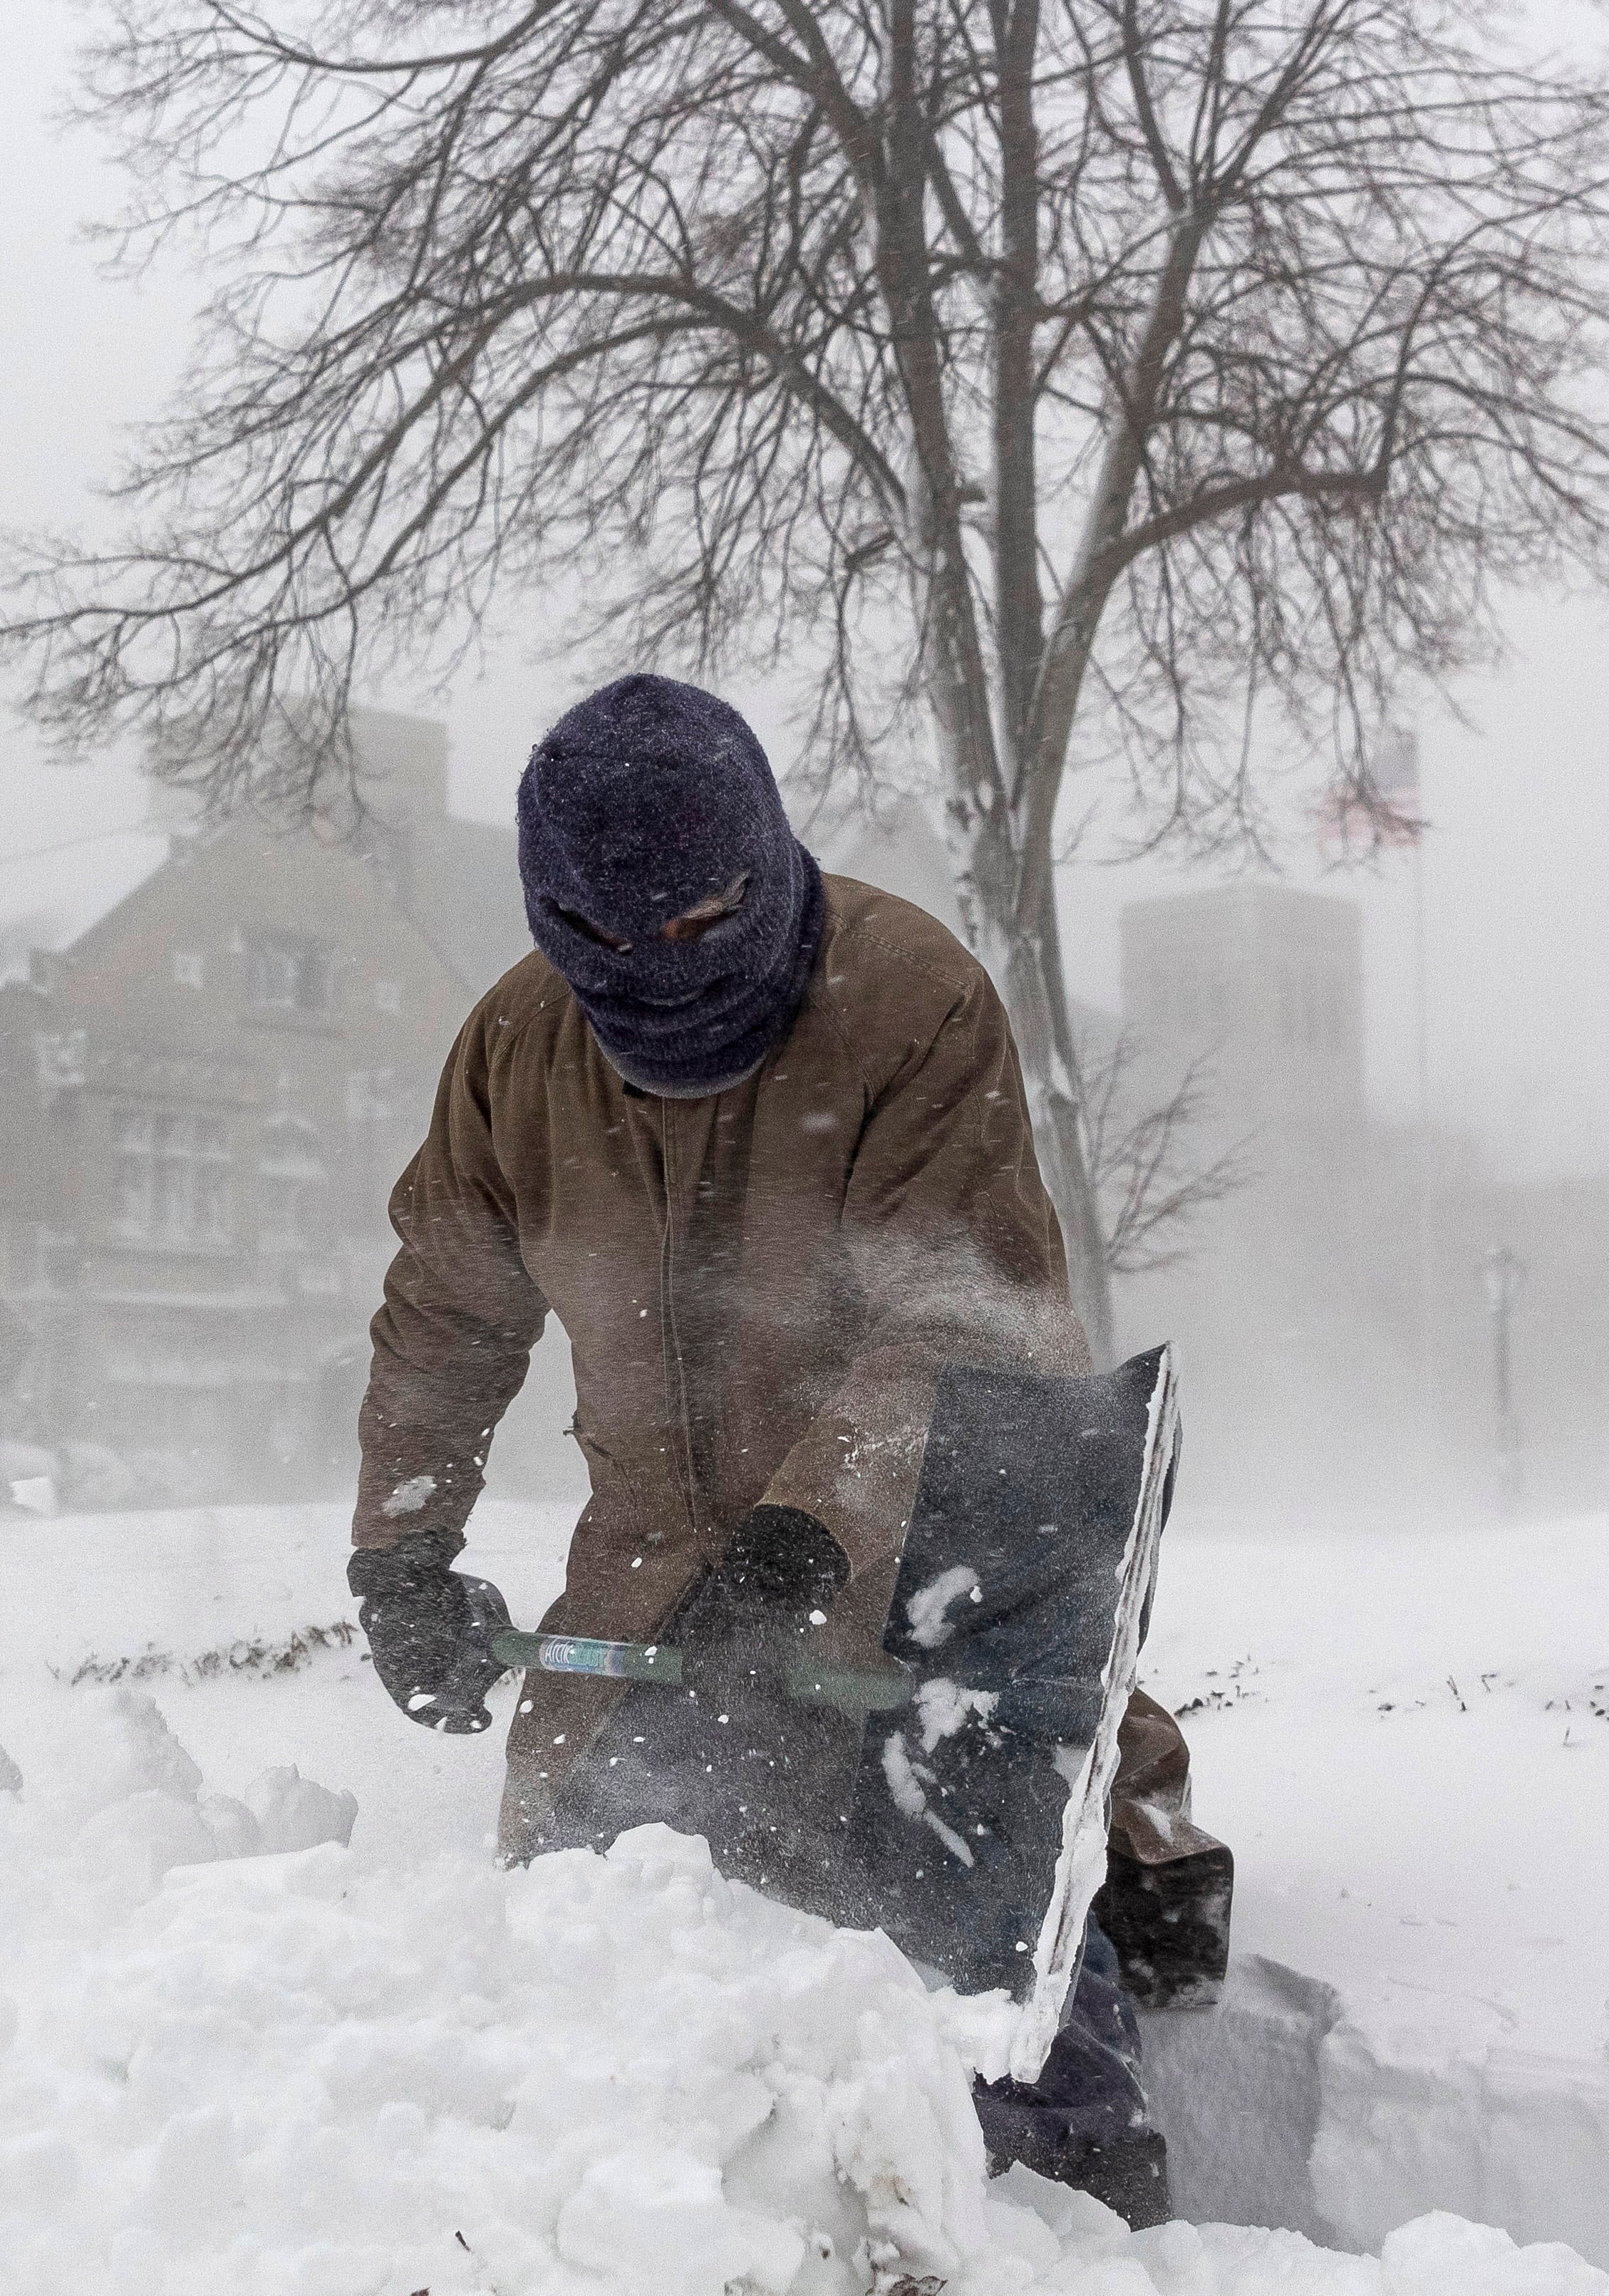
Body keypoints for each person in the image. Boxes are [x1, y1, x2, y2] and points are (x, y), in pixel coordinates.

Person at [344, 674, 1225, 2223]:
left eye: (699, 924)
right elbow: (446, 1315)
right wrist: (402, 1552)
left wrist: (811, 1534)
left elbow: (972, 1326)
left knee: (980, 1914)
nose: (662, 970)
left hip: (908, 1549)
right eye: (618, 943)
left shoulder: (910, 1005)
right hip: (649, 1577)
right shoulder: (513, 1051)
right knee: (601, 1926)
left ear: (762, 858)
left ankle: (1077, 2193)